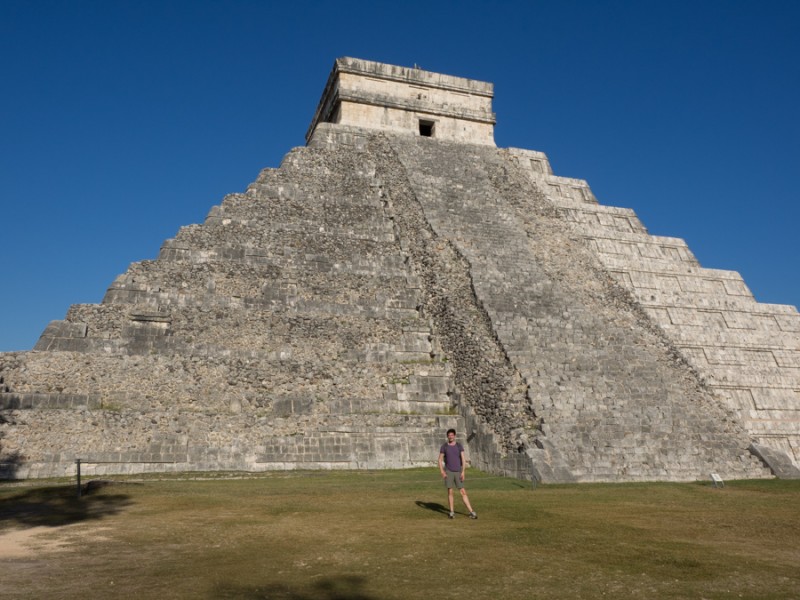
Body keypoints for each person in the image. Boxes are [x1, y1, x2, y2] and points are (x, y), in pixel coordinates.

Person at [438, 428, 477, 519]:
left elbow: (463, 460)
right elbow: (440, 459)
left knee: (463, 491)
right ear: (447, 436)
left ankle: (471, 512)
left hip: (458, 471)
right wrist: (442, 471)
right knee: (450, 492)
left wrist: (463, 471)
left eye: (452, 435)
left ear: (454, 436)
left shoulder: (459, 446)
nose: (450, 436)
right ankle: (451, 512)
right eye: (449, 435)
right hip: (448, 472)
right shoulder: (444, 446)